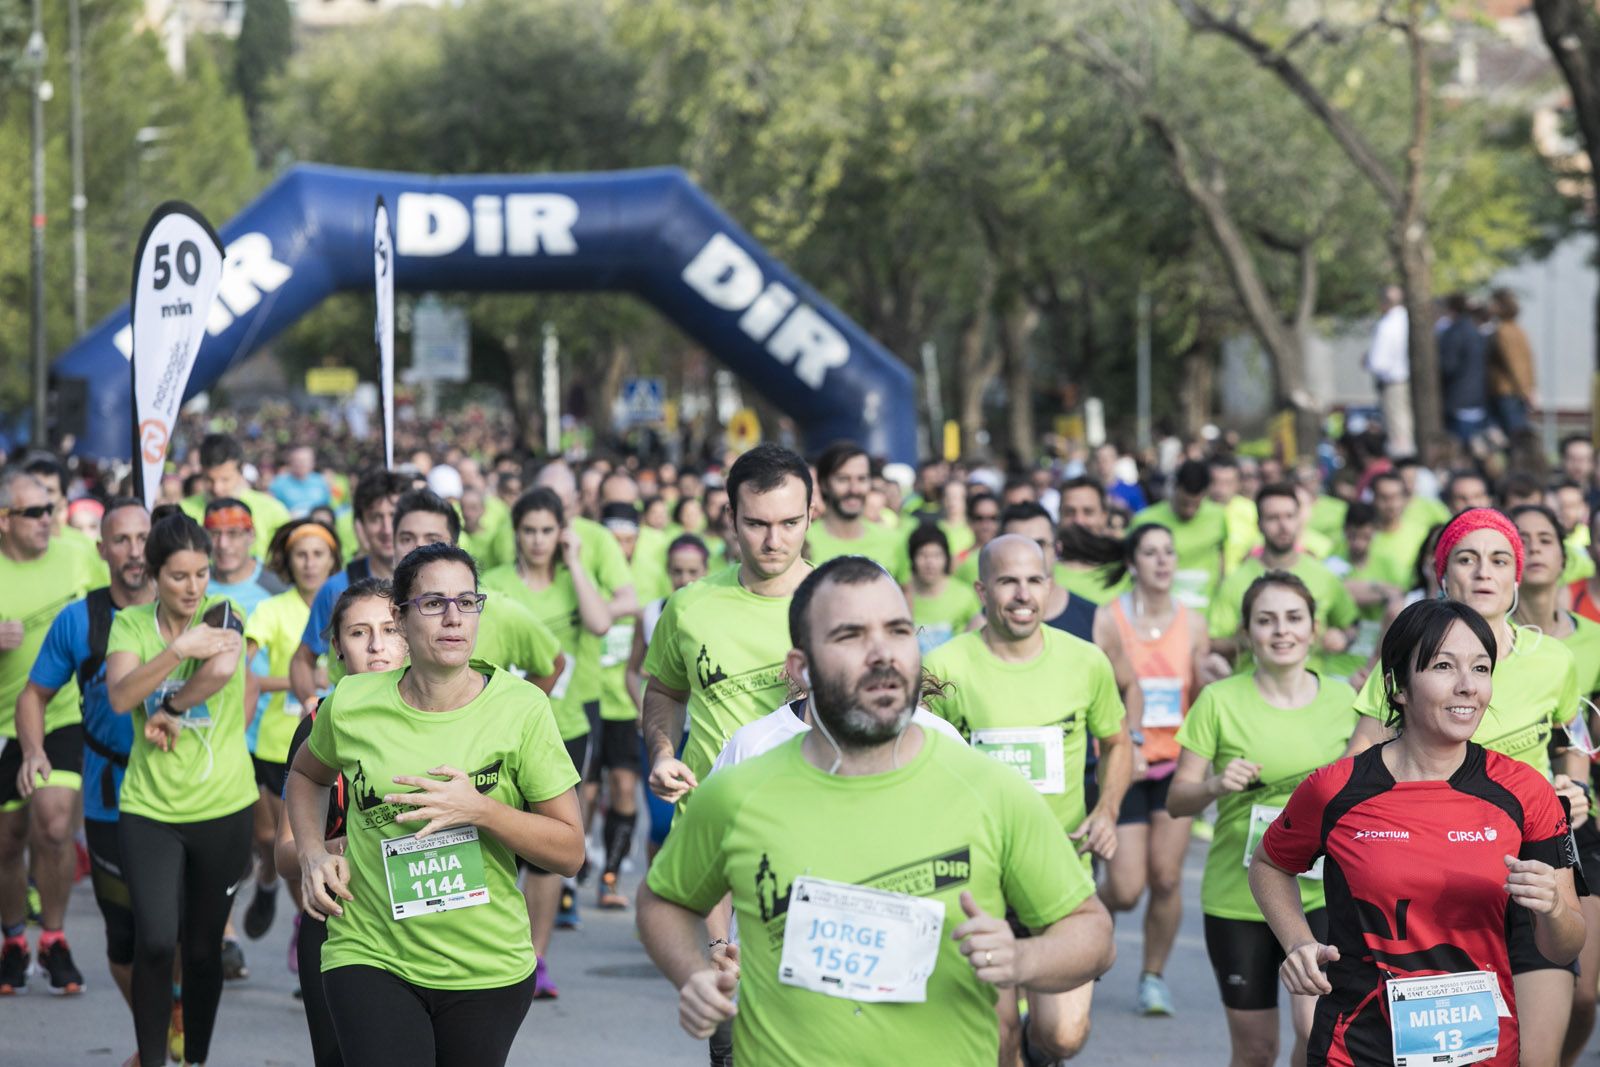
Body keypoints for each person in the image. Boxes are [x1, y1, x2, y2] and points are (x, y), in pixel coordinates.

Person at [637, 556, 1115, 1066]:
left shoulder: (984, 786)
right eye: (850, 635)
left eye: (898, 630)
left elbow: (1092, 932)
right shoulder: (741, 787)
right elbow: (662, 900)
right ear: (801, 667)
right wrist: (696, 972)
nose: (882, 653)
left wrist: (1022, 957)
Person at [287, 542, 584, 1067]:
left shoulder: (522, 709)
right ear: (399, 618)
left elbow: (568, 851)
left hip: (485, 965)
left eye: (467, 602)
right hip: (369, 950)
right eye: (433, 603)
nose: (453, 617)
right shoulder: (352, 704)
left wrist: (481, 810)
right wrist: (311, 853)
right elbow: (306, 775)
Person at [1253, 599, 1583, 1067]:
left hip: (1481, 1051)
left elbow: (1565, 945)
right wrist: (1299, 941)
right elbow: (1269, 864)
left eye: (1482, 668)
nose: (1468, 686)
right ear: (1397, 686)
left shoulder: (1525, 792)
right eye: (1444, 666)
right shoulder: (1336, 788)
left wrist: (1551, 907)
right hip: (1357, 1046)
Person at [1346, 506, 1587, 1067]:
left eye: (1500, 560)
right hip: (1437, 877)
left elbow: (1572, 740)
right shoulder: (1408, 652)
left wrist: (1573, 790)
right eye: (1467, 558)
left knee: (1536, 1059)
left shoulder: (1553, 661)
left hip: (1529, 869)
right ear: (1442, 572)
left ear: (1516, 578)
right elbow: (1358, 765)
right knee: (1445, 1058)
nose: (1484, 572)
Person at [924, 534, 1132, 1063]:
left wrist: (1107, 810)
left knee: (1061, 1036)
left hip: (1058, 867)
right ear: (981, 590)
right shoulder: (944, 669)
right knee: (997, 1042)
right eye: (1008, 581)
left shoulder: (1086, 662)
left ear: (1049, 585)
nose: (1022, 594)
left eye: (1034, 580)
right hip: (977, 872)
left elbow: (1116, 743)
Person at [1167, 573, 1358, 1066]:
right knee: (1255, 1050)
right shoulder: (1219, 701)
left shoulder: (1345, 703)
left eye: (1294, 618)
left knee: (1315, 1029)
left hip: (1322, 894)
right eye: (1266, 620)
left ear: (1314, 628)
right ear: (1247, 632)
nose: (1281, 631)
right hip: (1238, 898)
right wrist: (1214, 784)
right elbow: (1177, 799)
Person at [104, 512, 255, 1067]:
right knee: (156, 941)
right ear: (152, 574)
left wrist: (168, 705)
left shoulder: (225, 612)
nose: (193, 588)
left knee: (200, 950)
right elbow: (120, 697)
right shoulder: (132, 626)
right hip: (149, 808)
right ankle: (152, 1057)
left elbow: (219, 671)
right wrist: (176, 650)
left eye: (201, 573)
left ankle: (194, 1059)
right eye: (178, 577)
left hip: (224, 806)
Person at [13, 498, 150, 1022]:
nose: (135, 552)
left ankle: (171, 1019)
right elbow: (34, 696)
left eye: (143, 539)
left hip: (185, 798)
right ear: (103, 550)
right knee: (125, 939)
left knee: (172, 937)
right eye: (121, 541)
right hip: (110, 796)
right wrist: (33, 749)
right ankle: (155, 1034)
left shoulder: (186, 608)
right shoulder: (81, 620)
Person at [481, 487, 608, 996]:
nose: (537, 540)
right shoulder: (493, 585)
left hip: (566, 724)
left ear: (562, 533)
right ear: (516, 534)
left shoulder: (572, 580)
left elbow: (600, 622)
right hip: (495, 736)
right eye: (529, 530)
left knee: (547, 850)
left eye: (547, 530)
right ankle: (496, 948)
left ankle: (536, 957)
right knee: (496, 839)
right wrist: (510, 712)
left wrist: (575, 564)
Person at [274, 577, 404, 1067]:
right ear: (336, 648)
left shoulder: (450, 716)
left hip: (432, 918)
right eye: (359, 633)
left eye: (390, 629)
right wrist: (334, 850)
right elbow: (286, 855)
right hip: (339, 920)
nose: (377, 646)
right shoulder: (318, 726)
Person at [642, 444, 814, 808]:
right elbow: (665, 692)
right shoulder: (688, 606)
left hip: (804, 817)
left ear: (810, 516)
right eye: (756, 524)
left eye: (789, 523)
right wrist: (662, 754)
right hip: (707, 820)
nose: (773, 541)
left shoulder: (842, 605)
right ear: (731, 517)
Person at [1093, 523, 1211, 1017]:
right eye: (1151, 553)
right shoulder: (1108, 618)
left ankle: (1153, 977)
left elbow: (1201, 692)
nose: (1163, 561)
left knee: (1165, 878)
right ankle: (1084, 920)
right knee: (1124, 887)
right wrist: (1127, 742)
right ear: (1133, 561)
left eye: (1169, 552)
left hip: (1173, 764)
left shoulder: (1194, 622)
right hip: (1123, 763)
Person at [1506, 504, 1600, 1067]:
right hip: (1492, 827)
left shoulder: (1582, 645)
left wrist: (1573, 785)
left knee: (1585, 988)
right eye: (1524, 540)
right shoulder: (1483, 642)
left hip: (1572, 819)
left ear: (1567, 559)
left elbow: (1574, 731)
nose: (1536, 549)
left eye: (1547, 539)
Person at [0, 467, 99, 995]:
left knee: (55, 825)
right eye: (34, 513)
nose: (47, 521)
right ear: (4, 520)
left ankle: (54, 937)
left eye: (50, 510)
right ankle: (14, 940)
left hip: (62, 713)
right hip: (2, 724)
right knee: (7, 841)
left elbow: (115, 612)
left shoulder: (78, 555)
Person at [238, 520, 341, 950]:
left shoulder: (344, 602)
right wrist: (305, 684)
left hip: (328, 742)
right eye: (301, 554)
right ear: (289, 561)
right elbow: (246, 673)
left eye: (319, 554)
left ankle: (309, 927)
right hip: (274, 741)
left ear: (333, 560)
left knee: (316, 839)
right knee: (272, 842)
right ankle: (266, 881)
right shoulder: (272, 609)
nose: (310, 563)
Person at [1207, 484, 1359, 675]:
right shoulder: (1236, 581)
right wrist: (1244, 641)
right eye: (1273, 518)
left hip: (1313, 689)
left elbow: (1352, 624)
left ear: (1299, 519)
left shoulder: (1324, 575)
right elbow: (1213, 641)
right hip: (1254, 690)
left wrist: (1343, 637)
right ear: (1259, 524)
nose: (1283, 526)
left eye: (1289, 516)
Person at [289, 469, 410, 707]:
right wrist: (312, 705)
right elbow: (302, 660)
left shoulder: (429, 586)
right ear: (360, 526)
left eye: (394, 516)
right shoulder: (335, 589)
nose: (387, 528)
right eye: (376, 518)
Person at [1134, 460, 1229, 611]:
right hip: (1160, 611)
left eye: (1196, 504)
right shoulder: (1145, 520)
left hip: (1206, 612)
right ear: (1175, 488)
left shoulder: (1218, 516)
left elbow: (1222, 555)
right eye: (1184, 503)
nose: (1190, 510)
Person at [805, 441, 907, 579]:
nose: (854, 489)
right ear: (823, 483)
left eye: (861, 479)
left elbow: (904, 595)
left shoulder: (894, 540)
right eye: (843, 479)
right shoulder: (804, 541)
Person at [180, 433, 290, 560]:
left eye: (225, 479)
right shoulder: (183, 513)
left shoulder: (273, 511)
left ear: (241, 472)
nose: (217, 488)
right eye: (209, 480)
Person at [1001, 502, 1097, 641]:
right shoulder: (982, 625)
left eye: (1039, 545)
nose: (1029, 555)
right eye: (1018, 546)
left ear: (1057, 550)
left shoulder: (1094, 620)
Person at [905, 523, 982, 653]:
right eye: (923, 555)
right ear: (912, 558)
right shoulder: (900, 595)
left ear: (946, 558)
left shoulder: (965, 595)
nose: (930, 563)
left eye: (936, 555)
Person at [204, 498, 287, 617]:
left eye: (233, 533)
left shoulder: (278, 584)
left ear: (251, 535)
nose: (223, 544)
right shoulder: (193, 586)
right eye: (214, 534)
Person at [1366, 284, 1414, 457]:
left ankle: (1403, 463)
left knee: (1398, 429)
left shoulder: (1387, 324)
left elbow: (1378, 362)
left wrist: (1367, 360)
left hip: (1393, 382)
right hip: (1409, 381)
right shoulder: (1408, 319)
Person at [1438, 293, 1491, 447]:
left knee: (1460, 446)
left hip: (1457, 399)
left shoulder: (1454, 333)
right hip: (1476, 399)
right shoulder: (1476, 332)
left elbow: (1448, 366)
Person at [1487, 288, 1535, 440]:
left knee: (1515, 436)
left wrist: (1525, 391)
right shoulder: (1518, 330)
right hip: (1516, 391)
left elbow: (1514, 364)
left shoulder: (1503, 331)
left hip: (1508, 391)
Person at [270, 446, 333, 520]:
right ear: (291, 462)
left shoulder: (321, 481)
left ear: (312, 462)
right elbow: (272, 508)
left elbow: (329, 507)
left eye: (305, 460)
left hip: (318, 526)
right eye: (298, 460)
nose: (301, 464)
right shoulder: (279, 483)